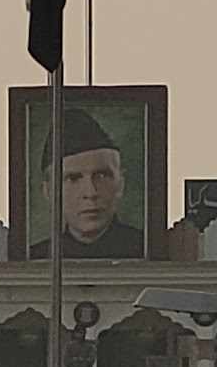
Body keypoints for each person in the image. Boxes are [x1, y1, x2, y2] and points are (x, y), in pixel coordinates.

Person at [29, 107, 144, 259]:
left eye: (102, 175)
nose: (90, 193)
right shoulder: (37, 258)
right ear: (48, 191)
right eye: (73, 178)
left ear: (120, 184)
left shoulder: (144, 250)